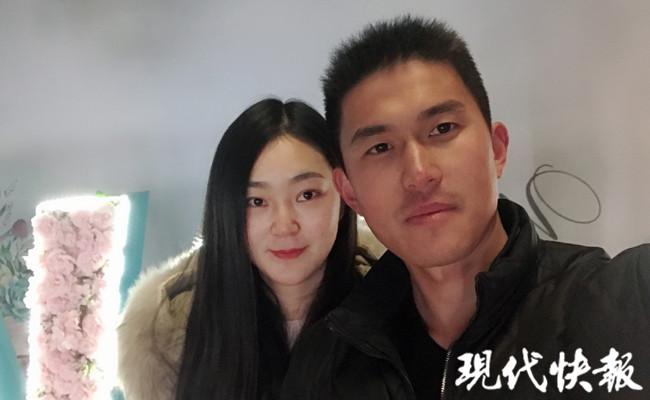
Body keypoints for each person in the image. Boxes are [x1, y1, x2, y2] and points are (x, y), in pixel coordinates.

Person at [282, 16, 650, 399]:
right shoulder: (325, 365)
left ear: (497, 149)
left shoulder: (627, 299)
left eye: (442, 129)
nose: (418, 174)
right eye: (380, 147)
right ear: (349, 192)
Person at [117, 98, 376, 399]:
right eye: (256, 201)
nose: (284, 225)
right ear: (226, 209)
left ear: (344, 195)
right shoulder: (168, 334)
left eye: (307, 195)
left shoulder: (396, 303)